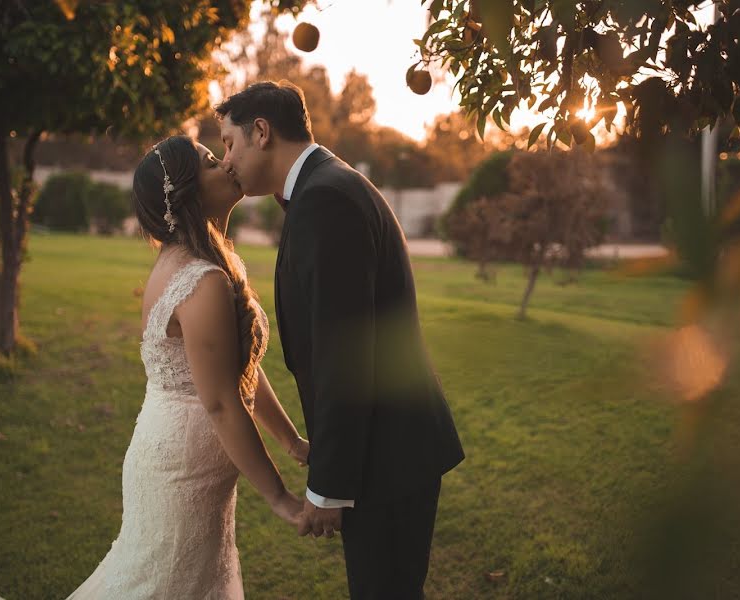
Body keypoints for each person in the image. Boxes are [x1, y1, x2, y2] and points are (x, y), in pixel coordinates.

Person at [216, 81, 465, 599]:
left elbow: (344, 354)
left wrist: (329, 486)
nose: (226, 160)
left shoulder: (325, 200)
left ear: (261, 132)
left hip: (388, 456)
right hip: (388, 447)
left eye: (228, 142)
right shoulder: (328, 187)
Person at [64, 135, 308, 599]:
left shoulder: (201, 264)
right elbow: (219, 401)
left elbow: (240, 368)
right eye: (213, 162)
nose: (229, 163)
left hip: (180, 460)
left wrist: (291, 440)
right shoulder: (202, 280)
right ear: (189, 191)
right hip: (181, 474)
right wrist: (281, 500)